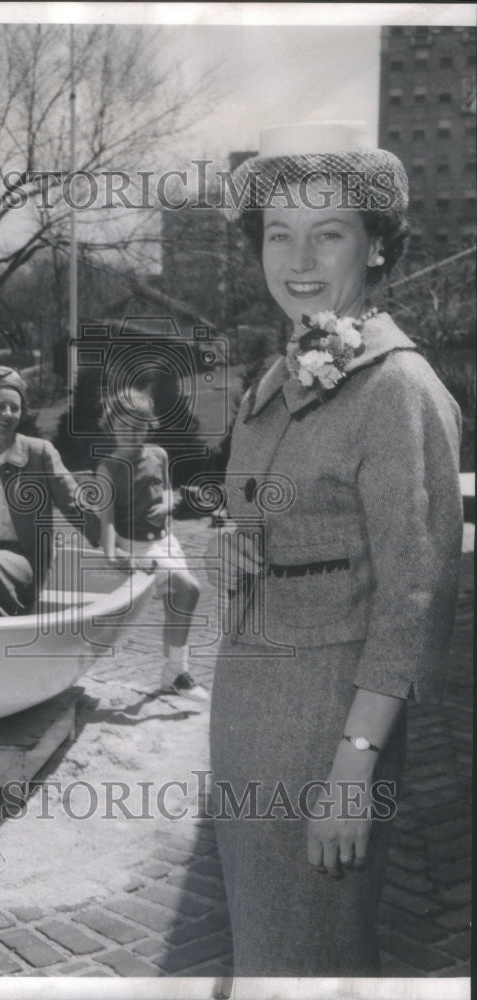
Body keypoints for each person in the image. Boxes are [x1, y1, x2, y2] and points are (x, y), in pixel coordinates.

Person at [210, 121, 463, 976]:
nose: (298, 257)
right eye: (278, 234)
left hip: (325, 736)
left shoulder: (397, 388)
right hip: (245, 721)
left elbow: (414, 598)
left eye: (328, 232)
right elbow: (259, 517)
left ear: (378, 247)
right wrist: (238, 551)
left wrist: (353, 769)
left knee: (309, 963)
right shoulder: (274, 380)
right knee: (267, 954)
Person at [0, 366, 93, 616]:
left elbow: (75, 505)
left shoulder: (39, 453)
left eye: (14, 408)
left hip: (25, 563)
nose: (8, 414)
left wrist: (114, 544)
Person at [95, 387, 205, 700]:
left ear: (148, 426)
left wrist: (169, 505)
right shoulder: (108, 469)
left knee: (178, 605)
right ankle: (178, 673)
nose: (130, 433)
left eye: (138, 426)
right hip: (136, 549)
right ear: (111, 424)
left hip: (167, 543)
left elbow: (169, 491)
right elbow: (107, 522)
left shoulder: (159, 454)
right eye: (123, 425)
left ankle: (173, 675)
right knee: (191, 589)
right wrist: (111, 553)